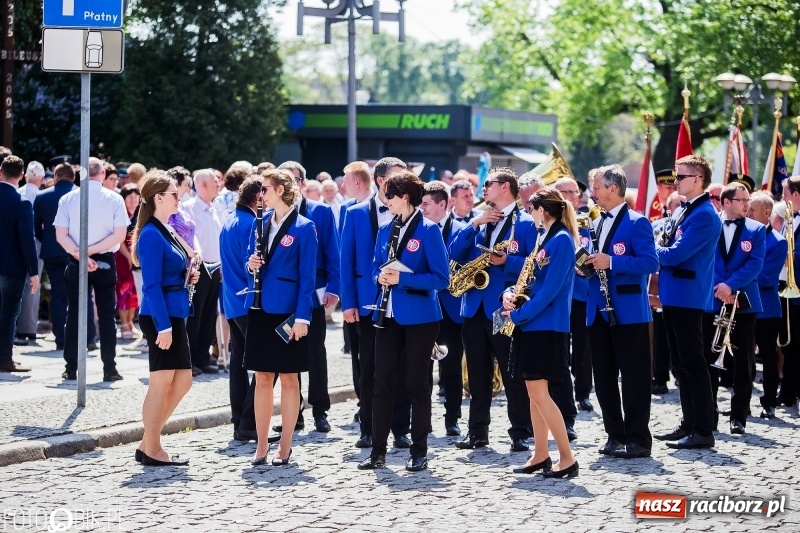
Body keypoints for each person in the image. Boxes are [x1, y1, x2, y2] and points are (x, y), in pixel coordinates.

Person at [357, 170, 449, 472]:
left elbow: (441, 278)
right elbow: (374, 266)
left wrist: (404, 279)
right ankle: (378, 452)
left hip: (421, 318)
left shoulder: (429, 230)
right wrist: (380, 276)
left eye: (390, 197)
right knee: (381, 382)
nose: (386, 203)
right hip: (387, 314)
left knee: (416, 384)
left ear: (406, 197)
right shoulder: (385, 229)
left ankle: (419, 450)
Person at [448, 166, 535, 452]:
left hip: (504, 307)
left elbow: (535, 264)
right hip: (473, 307)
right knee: (477, 373)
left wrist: (506, 262)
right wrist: (473, 225)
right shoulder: (478, 221)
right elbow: (452, 253)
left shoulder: (524, 223)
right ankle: (477, 432)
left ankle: (520, 431)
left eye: (489, 184)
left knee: (511, 373)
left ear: (506, 187)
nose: (483, 189)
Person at [501, 186, 578, 478]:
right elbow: (529, 279)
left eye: (531, 208)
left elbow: (550, 291)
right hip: (532, 324)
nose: (528, 213)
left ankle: (567, 457)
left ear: (542, 210)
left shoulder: (561, 240)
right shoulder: (543, 238)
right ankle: (541, 453)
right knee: (535, 393)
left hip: (546, 326)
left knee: (540, 393)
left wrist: (519, 314)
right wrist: (510, 294)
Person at [584, 165, 658, 458]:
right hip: (598, 310)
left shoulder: (637, 222)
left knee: (634, 376)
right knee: (602, 377)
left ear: (613, 189)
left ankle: (638, 438)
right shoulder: (596, 222)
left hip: (629, 311)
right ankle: (614, 434)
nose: (592, 194)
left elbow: (650, 263)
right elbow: (597, 261)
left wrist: (612, 263)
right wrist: (585, 265)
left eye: (597, 188)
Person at [244, 169, 317, 466]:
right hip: (260, 308)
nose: (262, 193)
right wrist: (251, 263)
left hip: (288, 312)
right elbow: (251, 260)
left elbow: (307, 278)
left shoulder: (304, 227)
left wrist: (303, 318)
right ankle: (261, 444)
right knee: (261, 378)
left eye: (266, 188)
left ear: (282, 189)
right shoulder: (258, 224)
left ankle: (285, 444)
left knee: (289, 378)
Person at [340, 157, 413, 449]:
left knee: (402, 367)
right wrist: (349, 303)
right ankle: (368, 428)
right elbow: (347, 261)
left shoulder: (410, 213)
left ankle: (400, 428)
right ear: (381, 181)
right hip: (368, 303)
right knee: (369, 367)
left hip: (402, 300)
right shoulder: (355, 213)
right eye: (397, 178)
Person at [655, 155, 721, 449]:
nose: (675, 181)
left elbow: (676, 254)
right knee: (680, 364)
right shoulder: (684, 210)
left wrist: (650, 250)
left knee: (693, 363)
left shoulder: (705, 214)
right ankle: (689, 422)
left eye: (680, 177)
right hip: (673, 294)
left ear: (697, 179)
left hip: (689, 296)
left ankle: (704, 428)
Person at [131, 172, 198, 466]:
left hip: (175, 312)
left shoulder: (164, 229)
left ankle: (149, 442)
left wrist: (187, 275)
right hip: (162, 317)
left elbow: (171, 271)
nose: (179, 197)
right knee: (161, 383)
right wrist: (164, 325)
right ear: (158, 198)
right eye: (174, 193)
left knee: (182, 381)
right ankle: (153, 448)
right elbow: (151, 286)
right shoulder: (150, 234)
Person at [276, 160, 341, 433]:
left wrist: (334, 289)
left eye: (293, 180)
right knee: (287, 356)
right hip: (283, 297)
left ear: (302, 183)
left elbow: (333, 253)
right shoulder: (273, 215)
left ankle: (320, 410)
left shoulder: (322, 213)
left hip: (314, 293)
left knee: (315, 352)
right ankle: (294, 413)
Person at [55, 157, 129, 381]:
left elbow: (61, 235)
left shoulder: (67, 199)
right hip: (105, 259)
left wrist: (81, 253)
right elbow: (119, 236)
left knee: (74, 313)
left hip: (76, 257)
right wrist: (90, 252)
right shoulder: (114, 199)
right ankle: (109, 368)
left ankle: (70, 367)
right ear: (103, 174)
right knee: (107, 316)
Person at [703, 182, 764, 434]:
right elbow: (704, 258)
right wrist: (720, 286)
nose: (746, 204)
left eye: (747, 199)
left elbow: (755, 264)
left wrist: (730, 285)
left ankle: (739, 415)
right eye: (741, 200)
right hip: (713, 299)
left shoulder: (757, 229)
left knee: (744, 361)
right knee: (709, 359)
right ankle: (710, 415)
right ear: (726, 202)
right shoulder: (710, 225)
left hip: (744, 302)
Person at [420, 181, 465, 436]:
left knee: (451, 367)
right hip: (424, 305)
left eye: (427, 204)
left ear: (442, 205)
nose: (422, 208)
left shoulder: (461, 229)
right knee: (421, 366)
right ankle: (423, 421)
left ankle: (452, 418)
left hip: (450, 306)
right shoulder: (418, 229)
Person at [220, 175, 262, 442]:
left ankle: (240, 421)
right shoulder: (251, 223)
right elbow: (254, 267)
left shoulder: (229, 220)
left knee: (238, 363)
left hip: (233, 302)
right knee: (265, 363)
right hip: (248, 302)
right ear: (257, 198)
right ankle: (248, 421)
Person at [555, 176, 594, 414]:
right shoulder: (549, 222)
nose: (571, 196)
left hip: (581, 293)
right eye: (565, 192)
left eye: (574, 192)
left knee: (583, 346)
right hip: (558, 294)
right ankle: (560, 391)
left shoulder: (587, 221)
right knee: (558, 347)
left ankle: (583, 393)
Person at [747, 191, 787, 419]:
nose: (748, 212)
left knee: (768, 356)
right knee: (743, 356)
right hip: (745, 304)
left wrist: (737, 279)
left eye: (752, 209)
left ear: (767, 213)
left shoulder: (778, 242)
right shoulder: (746, 235)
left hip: (766, 308)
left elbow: (766, 277)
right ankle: (741, 402)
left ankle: (769, 401)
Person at [33, 163, 79, 350]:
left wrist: (48, 241)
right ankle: (83, 338)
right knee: (78, 294)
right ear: (73, 177)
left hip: (52, 250)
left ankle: (61, 337)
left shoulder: (42, 196)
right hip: (76, 249)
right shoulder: (79, 195)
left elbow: (35, 227)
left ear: (56, 176)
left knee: (58, 294)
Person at [0, 155, 38, 372]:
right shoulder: (21, 203)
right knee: (9, 312)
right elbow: (27, 240)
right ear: (22, 176)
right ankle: (4, 357)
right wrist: (33, 272)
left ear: (0, 171)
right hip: (12, 266)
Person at [183, 169, 223, 375]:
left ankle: (203, 357)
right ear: (203, 185)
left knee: (209, 315)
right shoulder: (189, 208)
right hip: (198, 269)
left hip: (215, 268)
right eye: (215, 181)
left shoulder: (215, 209)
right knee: (195, 315)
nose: (219, 184)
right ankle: (189, 360)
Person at [15, 161, 45, 344]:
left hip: (15, 243)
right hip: (36, 243)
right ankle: (29, 328)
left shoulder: (17, 193)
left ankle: (19, 328)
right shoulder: (40, 196)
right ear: (41, 178)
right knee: (33, 284)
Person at [115, 184, 141, 339]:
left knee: (135, 292)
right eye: (129, 197)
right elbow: (120, 241)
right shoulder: (122, 214)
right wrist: (129, 257)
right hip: (123, 258)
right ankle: (123, 323)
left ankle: (130, 321)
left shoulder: (139, 215)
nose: (133, 200)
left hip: (136, 259)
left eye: (136, 197)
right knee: (124, 290)